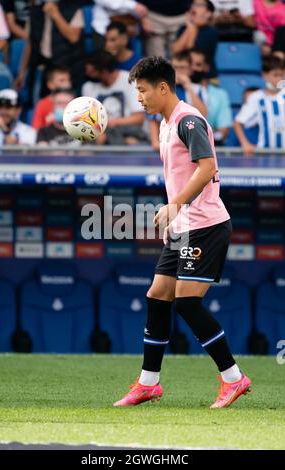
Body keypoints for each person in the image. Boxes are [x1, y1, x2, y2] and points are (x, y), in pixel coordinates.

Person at [113, 56, 251, 408]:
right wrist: (176, 215)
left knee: (188, 303)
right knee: (157, 296)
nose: (139, 98)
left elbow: (208, 168)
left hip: (206, 225)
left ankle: (233, 379)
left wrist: (175, 205)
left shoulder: (188, 120)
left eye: (143, 91)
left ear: (163, 87)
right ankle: (148, 384)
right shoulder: (165, 123)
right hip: (185, 226)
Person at [82, 51, 146, 145]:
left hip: (127, 131)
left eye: (93, 73)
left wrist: (111, 123)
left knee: (131, 141)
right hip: (99, 135)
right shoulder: (88, 86)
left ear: (105, 72)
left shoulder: (131, 82)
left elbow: (138, 118)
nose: (89, 76)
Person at [148, 52, 207, 151]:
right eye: (175, 67)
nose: (178, 72)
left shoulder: (198, 89)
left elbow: (203, 114)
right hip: (166, 141)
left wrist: (188, 86)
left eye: (182, 68)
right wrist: (155, 142)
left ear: (190, 70)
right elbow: (154, 118)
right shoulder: (161, 89)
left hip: (190, 140)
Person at [234, 55, 285, 155]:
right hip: (265, 154)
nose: (280, 79)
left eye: (282, 75)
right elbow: (238, 122)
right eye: (275, 75)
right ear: (264, 75)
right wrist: (245, 143)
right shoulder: (256, 97)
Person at [190, 49, 233, 144]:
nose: (193, 69)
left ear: (206, 67)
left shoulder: (220, 94)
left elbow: (223, 131)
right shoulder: (174, 90)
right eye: (190, 64)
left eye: (198, 65)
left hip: (208, 147)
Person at [171, 0, 218, 78]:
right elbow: (175, 50)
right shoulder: (183, 28)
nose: (194, 6)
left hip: (205, 76)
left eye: (199, 5)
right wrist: (190, 27)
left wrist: (192, 27)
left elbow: (190, 47)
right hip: (185, 72)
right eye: (193, 4)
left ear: (208, 13)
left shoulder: (211, 32)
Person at [32, 65, 72, 130]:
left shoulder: (76, 102)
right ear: (50, 84)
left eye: (68, 80)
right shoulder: (42, 104)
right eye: (62, 80)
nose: (67, 84)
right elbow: (36, 131)